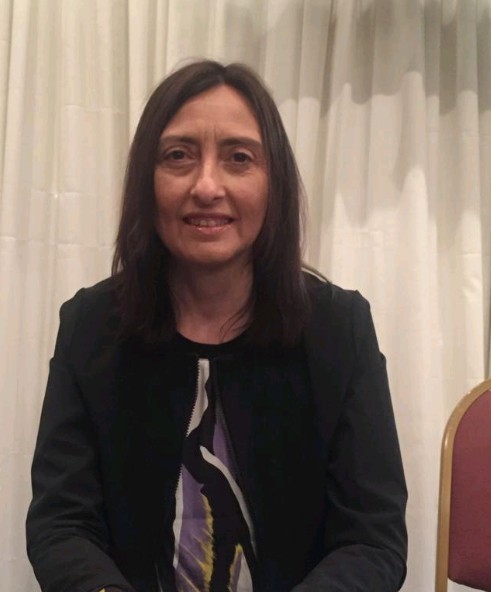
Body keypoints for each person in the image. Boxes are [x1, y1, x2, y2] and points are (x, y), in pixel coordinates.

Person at [26, 60, 408, 592]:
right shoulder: (90, 327)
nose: (207, 186)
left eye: (239, 158)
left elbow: (373, 540)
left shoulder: (340, 331)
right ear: (146, 182)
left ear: (274, 183)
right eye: (178, 156)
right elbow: (61, 522)